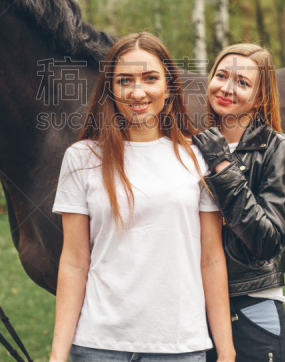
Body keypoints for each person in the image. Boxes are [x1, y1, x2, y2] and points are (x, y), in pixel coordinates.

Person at [49, 32, 236, 362]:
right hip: (98, 346)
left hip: (179, 347)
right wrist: (57, 355)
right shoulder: (81, 157)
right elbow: (75, 262)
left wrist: (226, 351)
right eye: (125, 80)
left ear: (168, 86)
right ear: (111, 89)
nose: (138, 92)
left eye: (150, 78)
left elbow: (211, 258)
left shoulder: (197, 157)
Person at [193, 44, 285, 362]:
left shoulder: (277, 148)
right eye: (221, 76)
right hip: (194, 312)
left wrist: (223, 167)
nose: (226, 88)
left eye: (242, 82)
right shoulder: (195, 146)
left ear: (260, 97)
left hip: (251, 310)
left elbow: (266, 241)